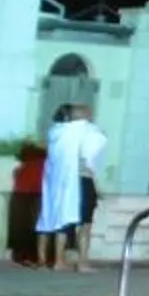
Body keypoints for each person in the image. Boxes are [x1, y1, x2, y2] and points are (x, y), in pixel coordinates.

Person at [39, 103, 110, 271]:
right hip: (82, 179)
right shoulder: (86, 131)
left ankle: (58, 260)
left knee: (63, 222)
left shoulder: (58, 132)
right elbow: (88, 159)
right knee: (84, 225)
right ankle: (82, 261)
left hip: (62, 181)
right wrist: (97, 185)